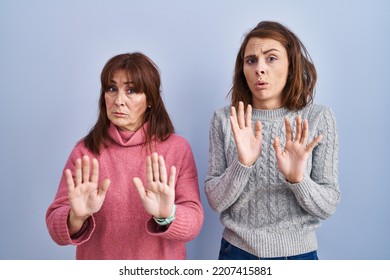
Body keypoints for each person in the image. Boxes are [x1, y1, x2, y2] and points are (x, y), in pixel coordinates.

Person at [46, 52, 204, 259]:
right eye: (112, 89)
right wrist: (75, 217)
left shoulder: (176, 148)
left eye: (131, 90)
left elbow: (193, 223)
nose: (119, 100)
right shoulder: (85, 151)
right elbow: (55, 227)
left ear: (150, 100)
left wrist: (168, 214)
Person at [204, 21, 340, 260]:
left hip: (298, 256)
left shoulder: (317, 118)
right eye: (251, 60)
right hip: (237, 253)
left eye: (271, 58)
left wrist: (298, 179)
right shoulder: (225, 119)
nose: (260, 69)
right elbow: (215, 201)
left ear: (291, 65)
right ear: (243, 70)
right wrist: (243, 164)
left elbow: (328, 205)